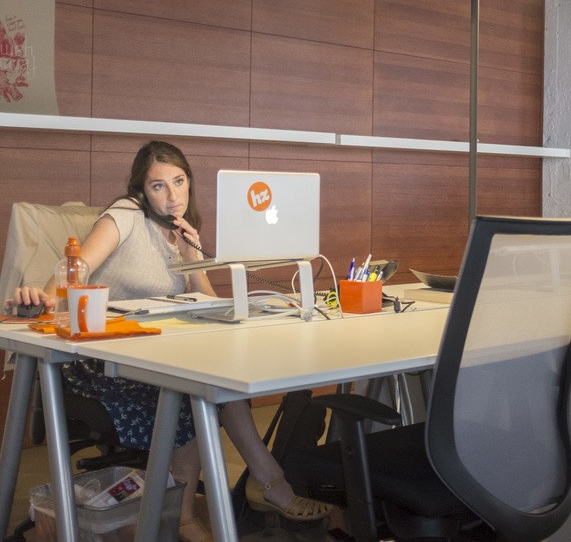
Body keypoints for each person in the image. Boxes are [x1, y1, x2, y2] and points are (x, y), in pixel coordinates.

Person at [4, 141, 330, 541]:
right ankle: (244, 494)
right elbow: (80, 266)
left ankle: (235, 495)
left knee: (209, 380)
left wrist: (193, 255)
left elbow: (208, 303)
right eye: (159, 186)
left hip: (160, 353)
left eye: (179, 182)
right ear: (142, 190)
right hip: (104, 361)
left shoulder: (182, 234)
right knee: (193, 393)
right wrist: (45, 294)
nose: (173, 195)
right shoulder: (124, 214)